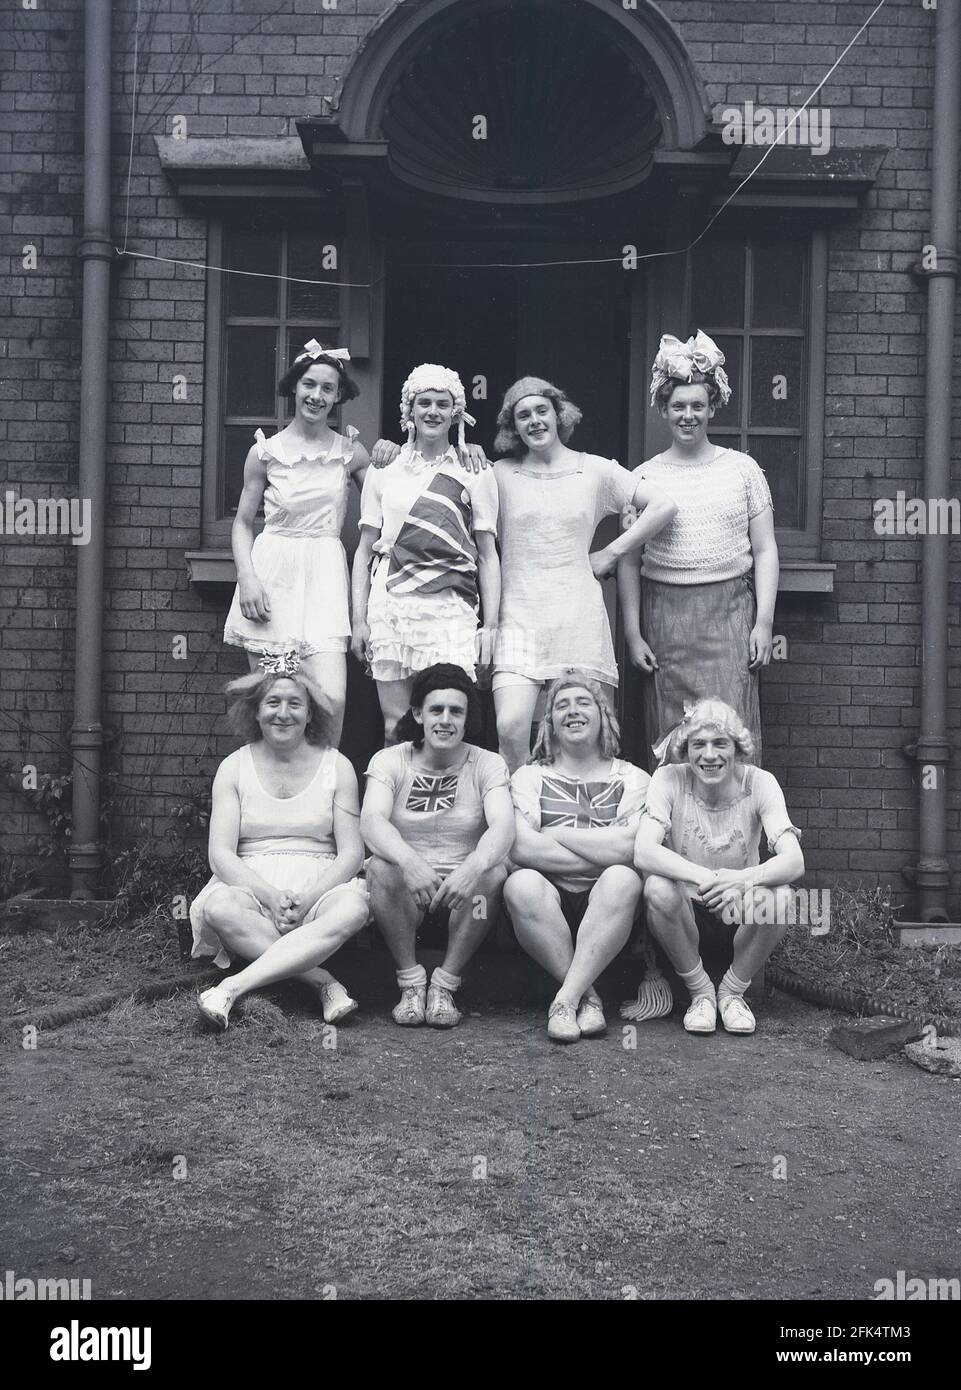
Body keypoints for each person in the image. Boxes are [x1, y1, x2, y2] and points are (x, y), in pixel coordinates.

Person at [490, 378, 676, 771]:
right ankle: (523, 820)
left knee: (581, 736)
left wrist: (612, 550)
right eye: (523, 415)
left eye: (542, 411)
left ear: (559, 415)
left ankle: (573, 825)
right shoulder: (500, 474)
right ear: (513, 426)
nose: (535, 421)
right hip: (518, 617)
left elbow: (663, 505)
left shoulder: (593, 470)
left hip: (577, 617)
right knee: (510, 727)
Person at [618, 331, 779, 764]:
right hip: (665, 616)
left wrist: (763, 622)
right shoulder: (643, 478)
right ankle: (674, 830)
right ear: (663, 410)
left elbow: (765, 551)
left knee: (730, 726)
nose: (688, 416)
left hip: (729, 614)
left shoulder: (743, 470)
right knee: (674, 730)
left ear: (712, 408)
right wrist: (633, 633)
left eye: (697, 406)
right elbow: (630, 562)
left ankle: (735, 829)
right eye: (678, 407)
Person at [191, 656, 369, 1031]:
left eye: (294, 704)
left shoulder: (337, 766)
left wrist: (307, 899)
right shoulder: (234, 767)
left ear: (310, 713)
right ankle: (323, 983)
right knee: (220, 908)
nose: (282, 713)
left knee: (353, 908)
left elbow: (352, 852)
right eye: (272, 703)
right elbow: (220, 854)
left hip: (321, 881)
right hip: (252, 881)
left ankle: (231, 987)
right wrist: (271, 897)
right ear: (255, 711)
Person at [223, 340, 372, 747]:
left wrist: (399, 451)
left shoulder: (350, 453)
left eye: (328, 388)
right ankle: (271, 800)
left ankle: (323, 798)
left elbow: (388, 502)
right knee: (270, 703)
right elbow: (241, 523)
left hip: (324, 578)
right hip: (272, 580)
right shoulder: (265, 453)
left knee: (331, 698)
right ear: (295, 387)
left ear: (339, 396)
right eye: (310, 384)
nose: (317, 395)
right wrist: (248, 578)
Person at [633, 698, 804, 1037]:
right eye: (699, 744)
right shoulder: (669, 779)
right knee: (657, 888)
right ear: (686, 748)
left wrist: (741, 880)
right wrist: (705, 878)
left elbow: (794, 860)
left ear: (737, 747)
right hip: (685, 912)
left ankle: (732, 993)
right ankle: (700, 994)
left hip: (739, 911)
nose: (709, 755)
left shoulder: (760, 783)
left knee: (781, 897)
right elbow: (644, 851)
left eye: (720, 743)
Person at [360, 663, 515, 1028]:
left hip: (468, 905)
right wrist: (409, 862)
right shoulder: (391, 759)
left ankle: (445, 984)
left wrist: (473, 867)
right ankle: (412, 983)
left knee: (493, 871)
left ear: (467, 718)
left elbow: (504, 826)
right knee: (381, 866)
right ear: (417, 713)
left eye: (456, 711)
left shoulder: (487, 763)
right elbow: (371, 821)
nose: (445, 720)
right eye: (436, 710)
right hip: (405, 901)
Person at [352, 365, 500, 742]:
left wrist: (492, 626)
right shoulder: (384, 469)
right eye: (424, 403)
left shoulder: (476, 471)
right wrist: (359, 619)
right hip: (391, 602)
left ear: (456, 412)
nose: (433, 411)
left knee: (448, 720)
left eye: (442, 403)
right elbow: (364, 549)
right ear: (410, 410)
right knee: (396, 725)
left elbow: (487, 554)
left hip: (450, 603)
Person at [505, 674, 649, 1043]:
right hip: (549, 901)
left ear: (603, 715)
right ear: (549, 721)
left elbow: (632, 849)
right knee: (520, 882)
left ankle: (565, 1001)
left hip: (611, 904)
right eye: (561, 705)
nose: (573, 711)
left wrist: (557, 834)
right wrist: (603, 851)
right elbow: (522, 849)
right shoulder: (530, 776)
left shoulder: (632, 778)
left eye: (583, 702)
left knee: (623, 878)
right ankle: (587, 998)